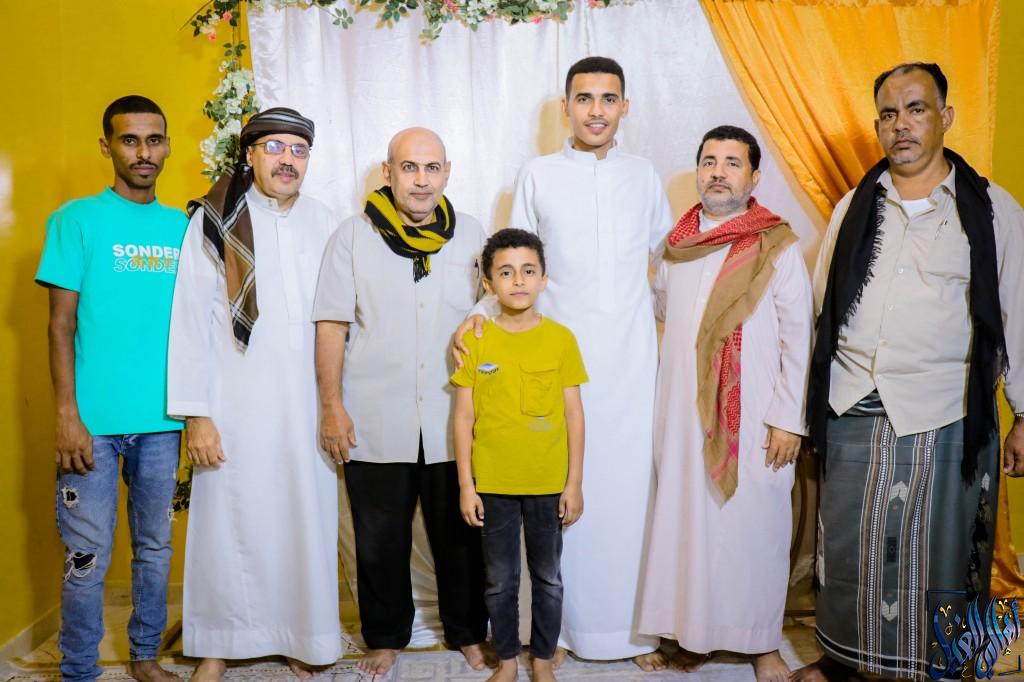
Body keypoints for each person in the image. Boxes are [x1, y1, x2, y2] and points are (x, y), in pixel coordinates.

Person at [794, 63, 1024, 682]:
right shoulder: (854, 206)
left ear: (945, 117)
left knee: (941, 553)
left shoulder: (993, 210)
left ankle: (942, 667)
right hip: (853, 400)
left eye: (916, 109)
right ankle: (842, 662)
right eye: (890, 114)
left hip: (943, 405)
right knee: (848, 548)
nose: (902, 125)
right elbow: (820, 307)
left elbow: (1019, 310)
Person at [453, 55, 673, 670]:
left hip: (630, 359)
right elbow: (512, 260)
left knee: (626, 490)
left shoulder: (644, 175)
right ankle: (557, 635)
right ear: (565, 108)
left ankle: (631, 633)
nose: (596, 111)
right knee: (552, 497)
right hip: (550, 359)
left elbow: (665, 266)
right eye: (584, 98)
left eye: (608, 98)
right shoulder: (538, 174)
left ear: (625, 106)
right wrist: (477, 313)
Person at [167, 107, 341, 681]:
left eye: (298, 150)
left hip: (306, 402)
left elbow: (341, 319)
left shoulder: (325, 220)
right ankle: (218, 643)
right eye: (275, 148)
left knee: (302, 517)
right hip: (233, 402)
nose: (287, 160)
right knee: (227, 521)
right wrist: (196, 415)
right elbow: (188, 320)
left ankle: (301, 636)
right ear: (250, 154)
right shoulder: (214, 221)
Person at [636, 126, 812, 682]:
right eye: (709, 161)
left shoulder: (776, 244)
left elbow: (798, 337)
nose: (718, 172)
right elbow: (663, 314)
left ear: (754, 177)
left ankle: (762, 644)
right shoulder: (676, 245)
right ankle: (696, 635)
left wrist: (788, 418)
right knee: (689, 525)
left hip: (755, 413)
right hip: (682, 413)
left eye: (732, 163)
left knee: (755, 527)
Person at [313, 127, 489, 677]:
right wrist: (331, 406)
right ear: (388, 174)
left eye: (432, 168)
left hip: (451, 416)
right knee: (378, 541)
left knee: (461, 536)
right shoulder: (352, 236)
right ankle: (385, 638)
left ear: (447, 172)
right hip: (375, 413)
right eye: (409, 168)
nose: (421, 180)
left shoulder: (472, 234)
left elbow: (493, 308)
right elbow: (332, 324)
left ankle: (469, 633)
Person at [36, 95, 185, 682]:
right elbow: (59, 325)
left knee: (155, 550)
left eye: (154, 139)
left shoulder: (182, 228)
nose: (143, 152)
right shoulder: (74, 220)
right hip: (91, 425)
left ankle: (145, 656)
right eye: (130, 140)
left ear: (167, 146)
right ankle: (79, 670)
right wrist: (66, 415)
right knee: (86, 557)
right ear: (107, 146)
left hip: (163, 422)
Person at [452, 228, 588, 682]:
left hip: (548, 483)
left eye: (528, 271)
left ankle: (543, 661)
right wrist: (467, 485)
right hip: (493, 485)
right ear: (488, 283)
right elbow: (463, 417)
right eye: (506, 272)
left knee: (548, 578)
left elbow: (574, 415)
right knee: (500, 580)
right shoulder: (475, 341)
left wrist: (574, 483)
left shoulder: (561, 339)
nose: (518, 281)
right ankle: (508, 661)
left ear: (544, 279)